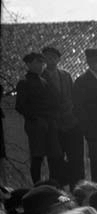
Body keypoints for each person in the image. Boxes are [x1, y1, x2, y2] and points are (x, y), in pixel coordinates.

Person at [14, 52, 60, 183]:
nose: (40, 65)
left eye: (41, 62)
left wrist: (51, 118)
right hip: (36, 124)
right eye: (37, 62)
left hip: (49, 123)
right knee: (37, 156)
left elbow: (54, 100)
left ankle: (54, 184)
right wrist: (35, 118)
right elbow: (20, 106)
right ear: (29, 64)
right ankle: (37, 184)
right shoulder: (24, 83)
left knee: (54, 155)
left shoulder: (45, 81)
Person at [42, 46, 85, 185]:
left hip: (71, 122)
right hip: (54, 125)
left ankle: (77, 188)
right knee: (56, 160)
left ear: (58, 59)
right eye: (48, 57)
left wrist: (72, 111)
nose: (51, 60)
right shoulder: (41, 77)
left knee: (76, 159)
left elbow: (73, 96)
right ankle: (58, 190)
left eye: (54, 57)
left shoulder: (65, 75)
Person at [74, 48, 97, 185]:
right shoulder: (82, 81)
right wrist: (87, 128)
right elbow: (79, 107)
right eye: (95, 61)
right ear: (89, 62)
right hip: (94, 130)